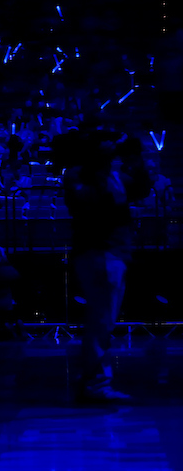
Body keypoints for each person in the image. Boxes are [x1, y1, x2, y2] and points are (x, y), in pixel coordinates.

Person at [61, 128, 151, 402]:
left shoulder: (111, 174)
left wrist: (135, 157)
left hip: (112, 254)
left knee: (103, 321)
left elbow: (141, 188)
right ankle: (96, 384)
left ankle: (91, 380)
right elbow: (91, 201)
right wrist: (103, 165)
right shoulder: (79, 174)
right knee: (101, 322)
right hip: (99, 254)